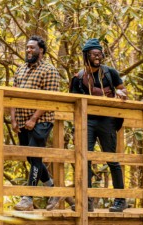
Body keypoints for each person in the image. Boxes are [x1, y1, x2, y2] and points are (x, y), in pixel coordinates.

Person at [69, 38, 128, 212]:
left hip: (107, 120)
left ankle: (120, 200)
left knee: (112, 160)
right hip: (87, 121)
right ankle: (86, 201)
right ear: (86, 55)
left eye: (99, 53)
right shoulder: (78, 78)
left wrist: (120, 93)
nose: (98, 56)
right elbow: (72, 103)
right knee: (85, 158)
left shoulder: (110, 73)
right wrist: (75, 128)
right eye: (94, 53)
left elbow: (123, 90)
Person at [10, 35, 64, 211]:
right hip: (22, 119)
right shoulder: (21, 70)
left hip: (41, 120)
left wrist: (34, 118)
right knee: (30, 156)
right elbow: (13, 94)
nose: (28, 50)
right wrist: (13, 117)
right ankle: (53, 190)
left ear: (41, 50)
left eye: (32, 48)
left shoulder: (49, 70)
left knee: (34, 155)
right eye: (27, 47)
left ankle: (28, 198)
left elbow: (50, 99)